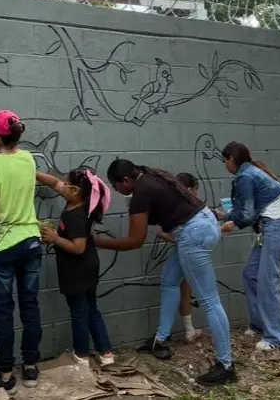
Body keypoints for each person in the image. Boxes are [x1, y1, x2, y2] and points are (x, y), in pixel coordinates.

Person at [97, 159, 235, 387]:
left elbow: (135, 240)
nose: (117, 191)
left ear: (125, 180)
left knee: (210, 301)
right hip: (198, 227)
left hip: (193, 234)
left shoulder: (141, 191)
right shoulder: (152, 176)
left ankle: (226, 365)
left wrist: (97, 242)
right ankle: (160, 341)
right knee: (170, 280)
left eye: (115, 186)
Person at [0, 110, 42, 393]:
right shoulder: (29, 159)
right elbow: (13, 165)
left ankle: (5, 374)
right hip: (31, 240)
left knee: (3, 311)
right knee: (30, 306)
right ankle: (30, 367)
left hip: (3, 245)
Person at [213, 142, 280, 352]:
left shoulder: (246, 176)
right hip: (272, 228)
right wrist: (226, 215)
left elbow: (246, 215)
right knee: (251, 275)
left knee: (268, 281)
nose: (224, 165)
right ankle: (259, 325)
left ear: (231, 159)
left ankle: (277, 337)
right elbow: (248, 210)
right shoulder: (250, 171)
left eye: (224, 161)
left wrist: (230, 222)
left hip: (275, 228)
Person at [37, 166, 116, 366]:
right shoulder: (80, 204)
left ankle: (81, 354)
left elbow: (78, 247)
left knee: (79, 311)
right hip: (87, 267)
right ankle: (105, 352)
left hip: (77, 269)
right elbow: (53, 182)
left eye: (65, 183)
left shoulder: (77, 216)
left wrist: (55, 238)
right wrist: (32, 173)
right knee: (91, 309)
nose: (60, 184)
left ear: (75, 191)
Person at [156, 172, 205, 343]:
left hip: (186, 249)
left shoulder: (181, 206)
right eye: (196, 189)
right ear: (191, 189)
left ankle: (186, 330)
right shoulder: (187, 207)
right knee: (205, 295)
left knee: (185, 289)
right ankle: (164, 335)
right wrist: (185, 240)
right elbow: (161, 232)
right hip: (188, 251)